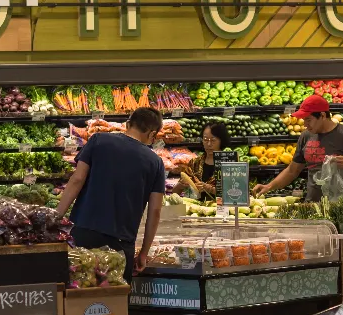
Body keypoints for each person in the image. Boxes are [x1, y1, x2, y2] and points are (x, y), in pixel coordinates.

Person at [55, 106, 167, 282]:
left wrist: (55, 219)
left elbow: (77, 180)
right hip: (121, 241)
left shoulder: (98, 140)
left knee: (78, 292)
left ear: (128, 124)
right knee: (114, 299)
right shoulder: (156, 163)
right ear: (152, 134)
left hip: (84, 230)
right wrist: (144, 252)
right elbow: (155, 211)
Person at [254, 94, 343, 201]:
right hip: (312, 205)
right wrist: (268, 186)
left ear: (322, 115)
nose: (305, 124)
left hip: (341, 207)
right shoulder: (306, 136)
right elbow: (292, 171)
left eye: (308, 119)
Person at [177, 122, 230, 200]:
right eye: (205, 140)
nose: (208, 144)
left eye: (213, 140)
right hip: (195, 209)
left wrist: (210, 189)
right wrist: (180, 185)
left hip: (221, 210)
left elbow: (237, 192)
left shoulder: (229, 164)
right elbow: (175, 192)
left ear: (221, 141)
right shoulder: (194, 163)